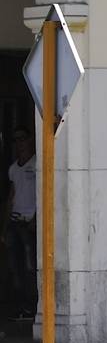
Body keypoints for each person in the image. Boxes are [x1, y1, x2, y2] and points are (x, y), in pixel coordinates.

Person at [5, 129, 38, 321]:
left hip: (29, 224)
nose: (20, 143)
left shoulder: (37, 164)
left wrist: (35, 219)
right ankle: (21, 306)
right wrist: (4, 227)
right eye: (16, 140)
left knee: (29, 267)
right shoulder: (13, 169)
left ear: (31, 140)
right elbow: (11, 198)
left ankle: (32, 306)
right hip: (14, 223)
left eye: (23, 138)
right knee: (14, 267)